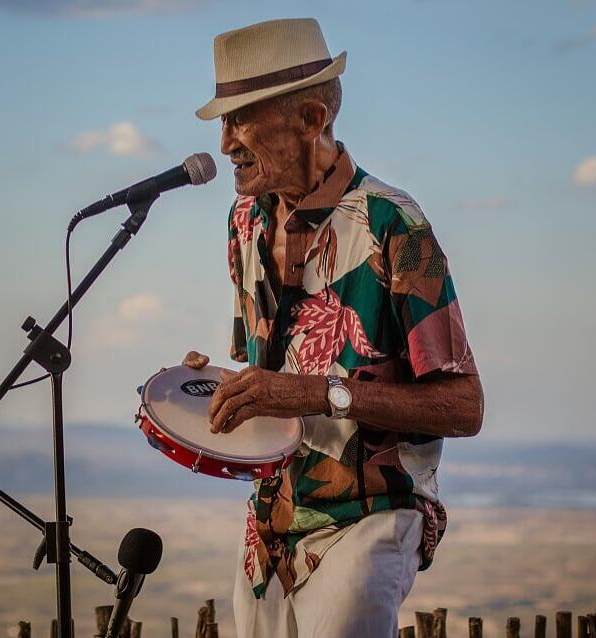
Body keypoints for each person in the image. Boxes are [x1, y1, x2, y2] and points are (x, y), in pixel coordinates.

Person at [183, 18, 485, 638]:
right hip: (269, 529)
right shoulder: (244, 220)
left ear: (312, 117)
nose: (225, 142)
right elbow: (276, 379)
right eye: (222, 122)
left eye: (241, 120)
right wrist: (214, 385)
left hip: (370, 517)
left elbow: (464, 406)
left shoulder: (397, 227)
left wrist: (319, 393)